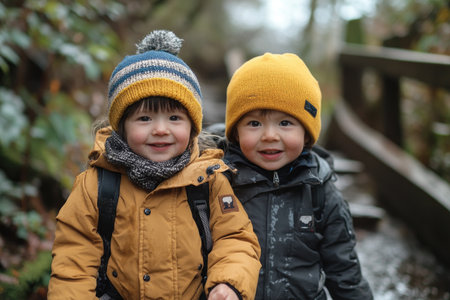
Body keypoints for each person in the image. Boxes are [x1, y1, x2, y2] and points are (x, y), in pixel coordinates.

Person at [47, 30, 261, 300]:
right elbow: (73, 260)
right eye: (145, 118)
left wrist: (228, 283)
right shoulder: (97, 185)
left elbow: (236, 239)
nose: (161, 130)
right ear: (122, 126)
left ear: (193, 127)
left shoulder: (208, 181)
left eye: (174, 118)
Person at [221, 53, 373, 299]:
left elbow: (345, 272)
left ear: (307, 133)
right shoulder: (221, 183)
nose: (270, 135)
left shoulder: (320, 192)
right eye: (254, 124)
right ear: (236, 133)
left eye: (285, 123)